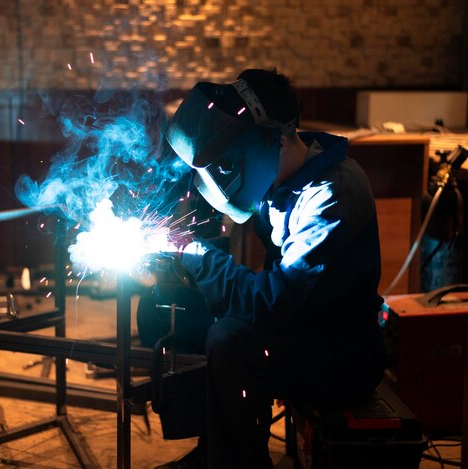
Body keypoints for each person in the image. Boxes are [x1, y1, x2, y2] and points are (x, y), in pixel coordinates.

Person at [136, 68, 386, 468]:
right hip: (295, 326)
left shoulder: (333, 195)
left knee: (229, 341)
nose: (223, 175)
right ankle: (213, 449)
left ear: (278, 139)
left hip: (340, 351)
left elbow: (276, 301)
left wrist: (197, 255)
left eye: (228, 163)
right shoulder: (278, 181)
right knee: (163, 306)